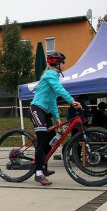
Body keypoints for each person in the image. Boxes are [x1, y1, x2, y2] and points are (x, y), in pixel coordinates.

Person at [29, 51, 81, 186]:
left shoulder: (55, 77)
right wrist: (71, 101)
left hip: (45, 111)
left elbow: (52, 100)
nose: (64, 64)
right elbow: (59, 89)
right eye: (63, 62)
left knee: (51, 139)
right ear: (56, 63)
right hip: (36, 109)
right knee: (42, 138)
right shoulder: (50, 74)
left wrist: (57, 117)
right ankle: (38, 173)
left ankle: (42, 165)